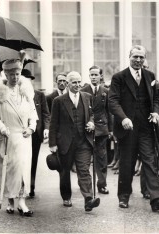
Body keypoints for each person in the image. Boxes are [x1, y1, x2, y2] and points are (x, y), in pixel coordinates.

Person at [108, 45, 159, 211]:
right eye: (135, 57)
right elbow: (113, 101)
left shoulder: (150, 76)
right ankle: (123, 197)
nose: (138, 60)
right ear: (129, 57)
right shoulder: (119, 77)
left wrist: (156, 113)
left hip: (145, 128)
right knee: (127, 164)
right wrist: (123, 118)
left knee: (150, 161)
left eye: (141, 57)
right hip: (127, 128)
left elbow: (156, 99)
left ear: (145, 59)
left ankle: (157, 199)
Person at [0, 59, 37, 217]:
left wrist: (31, 128)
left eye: (17, 74)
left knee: (23, 168)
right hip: (7, 136)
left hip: (23, 136)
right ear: (5, 75)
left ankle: (22, 201)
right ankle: (10, 200)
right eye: (11, 74)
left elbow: (33, 113)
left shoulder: (26, 92)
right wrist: (3, 128)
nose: (15, 77)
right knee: (8, 169)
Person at [49, 71, 100, 212]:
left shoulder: (87, 97)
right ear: (67, 83)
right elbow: (53, 123)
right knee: (65, 171)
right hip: (65, 142)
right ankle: (66, 196)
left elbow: (93, 114)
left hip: (83, 141)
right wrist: (52, 144)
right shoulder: (58, 101)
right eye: (74, 82)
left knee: (83, 169)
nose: (77, 85)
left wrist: (91, 122)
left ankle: (88, 199)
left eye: (79, 82)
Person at [81, 65, 112, 194]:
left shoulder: (105, 91)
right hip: (87, 128)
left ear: (100, 76)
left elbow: (109, 112)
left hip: (102, 128)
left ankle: (102, 184)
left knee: (101, 158)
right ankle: (86, 184)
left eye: (96, 75)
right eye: (91, 75)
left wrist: (110, 130)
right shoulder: (83, 90)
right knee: (85, 158)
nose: (93, 77)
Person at [21, 68, 50, 198]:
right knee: (21, 160)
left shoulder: (39, 95)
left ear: (32, 81)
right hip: (21, 133)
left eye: (28, 80)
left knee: (33, 161)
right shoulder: (17, 94)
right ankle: (21, 186)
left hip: (35, 134)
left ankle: (31, 186)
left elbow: (46, 114)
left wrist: (46, 128)